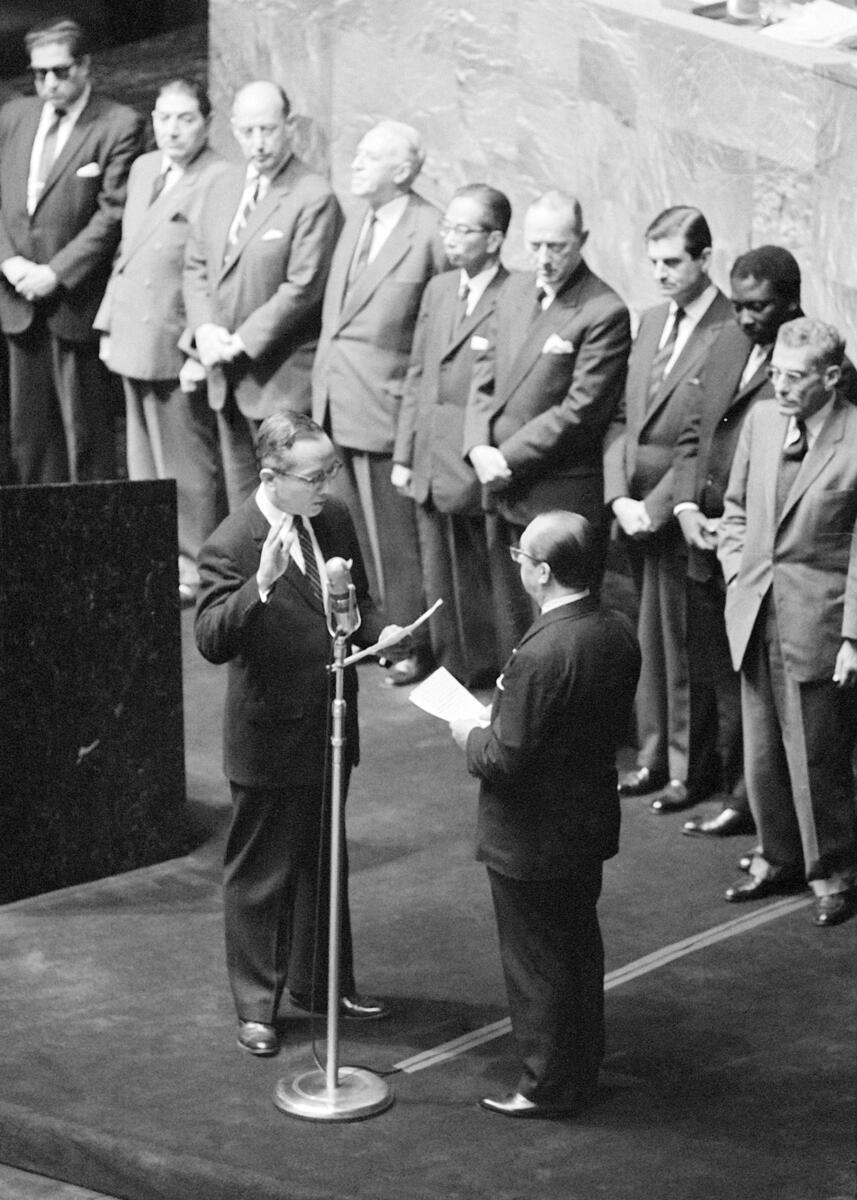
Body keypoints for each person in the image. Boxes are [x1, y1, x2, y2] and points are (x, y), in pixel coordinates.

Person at [195, 410, 401, 1055]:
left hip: (331, 722)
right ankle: (257, 1007)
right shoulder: (232, 543)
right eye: (315, 477)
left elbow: (357, 602)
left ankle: (323, 985)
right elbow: (210, 640)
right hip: (268, 736)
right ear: (270, 477)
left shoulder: (331, 517)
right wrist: (260, 583)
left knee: (323, 861)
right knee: (260, 877)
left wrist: (383, 636)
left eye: (330, 472)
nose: (327, 486)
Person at [450, 511, 640, 1117]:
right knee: (578, 949)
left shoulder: (541, 652)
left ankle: (545, 1085)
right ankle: (579, 1068)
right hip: (585, 820)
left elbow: (506, 758)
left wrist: (469, 733)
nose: (519, 566)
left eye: (522, 557)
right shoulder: (616, 628)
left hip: (530, 834)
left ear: (543, 573)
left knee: (536, 964)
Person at [718, 318, 857, 928]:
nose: (779, 386)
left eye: (795, 377)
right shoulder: (763, 421)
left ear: (831, 377)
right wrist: (736, 575)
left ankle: (834, 872)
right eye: (775, 372)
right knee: (763, 753)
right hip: (755, 610)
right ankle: (777, 858)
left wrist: (853, 635)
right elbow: (736, 509)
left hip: (819, 620)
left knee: (817, 758)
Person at [672, 247, 810, 838]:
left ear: (791, 302)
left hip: (764, 558)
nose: (747, 317)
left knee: (766, 699)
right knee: (719, 678)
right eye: (739, 305)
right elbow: (693, 429)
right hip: (706, 539)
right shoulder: (727, 341)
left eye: (760, 307)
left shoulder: (812, 364)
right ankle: (735, 794)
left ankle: (773, 818)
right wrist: (684, 505)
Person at [464, 191, 631, 662]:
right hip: (501, 484)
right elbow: (483, 376)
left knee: (558, 629)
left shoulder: (604, 309)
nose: (544, 258)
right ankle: (515, 697)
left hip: (556, 493)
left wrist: (504, 458)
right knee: (511, 616)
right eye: (535, 245)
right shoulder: (514, 290)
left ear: (582, 240)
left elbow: (581, 411)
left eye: (556, 246)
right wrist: (476, 446)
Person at [604, 207, 732, 814]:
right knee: (647, 643)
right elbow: (622, 418)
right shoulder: (653, 319)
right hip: (633, 507)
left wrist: (654, 508)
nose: (660, 273)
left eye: (673, 261)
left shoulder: (729, 329)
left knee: (682, 648)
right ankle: (654, 757)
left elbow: (706, 437)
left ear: (705, 259)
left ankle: (687, 768)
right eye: (653, 261)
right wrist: (618, 497)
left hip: (680, 509)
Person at [312, 120, 445, 685]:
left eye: (370, 156)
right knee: (352, 538)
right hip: (337, 399)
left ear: (404, 170)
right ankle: (368, 633)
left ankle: (410, 643)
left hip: (389, 407)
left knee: (397, 545)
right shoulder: (358, 220)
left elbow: (441, 331)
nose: (356, 163)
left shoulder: (431, 231)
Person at [94, 79, 228, 606]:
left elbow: (215, 273)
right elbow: (126, 253)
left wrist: (196, 349)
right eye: (164, 118)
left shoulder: (220, 177)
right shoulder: (145, 167)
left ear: (206, 123)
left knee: (187, 469)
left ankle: (195, 567)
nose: (173, 130)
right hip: (133, 333)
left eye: (185, 119)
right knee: (141, 462)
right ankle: (155, 556)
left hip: (175, 341)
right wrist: (109, 322)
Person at [183, 81, 342, 511]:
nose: (258, 142)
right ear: (233, 129)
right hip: (226, 377)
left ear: (289, 126)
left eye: (268, 129)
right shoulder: (222, 185)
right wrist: (204, 329)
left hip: (279, 382)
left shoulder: (314, 195)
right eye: (247, 131)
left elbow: (303, 287)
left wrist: (239, 341)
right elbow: (196, 264)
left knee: (289, 506)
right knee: (245, 509)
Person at [0, 16, 143, 484]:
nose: (49, 83)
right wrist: (7, 260)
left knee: (86, 438)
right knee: (29, 439)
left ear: (84, 65)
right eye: (39, 73)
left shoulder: (118, 123)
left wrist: (56, 273)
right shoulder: (13, 116)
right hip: (17, 298)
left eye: (60, 71)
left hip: (75, 302)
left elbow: (113, 213)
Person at [392, 183, 511, 687]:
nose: (451, 238)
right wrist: (404, 453)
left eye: (463, 230)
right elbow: (418, 373)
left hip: (470, 457)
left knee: (483, 575)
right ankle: (451, 666)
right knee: (438, 572)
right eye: (448, 227)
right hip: (429, 452)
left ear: (495, 239)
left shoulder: (513, 295)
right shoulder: (440, 289)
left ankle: (489, 671)